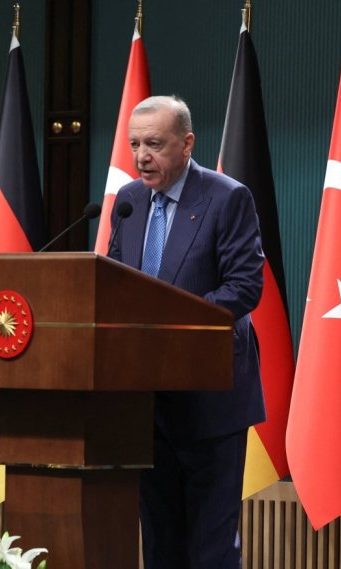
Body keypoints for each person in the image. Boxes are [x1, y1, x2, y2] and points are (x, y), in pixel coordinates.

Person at [106, 95, 265, 568]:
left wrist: (167, 324)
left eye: (154, 144)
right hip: (146, 403)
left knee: (210, 547)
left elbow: (244, 287)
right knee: (160, 543)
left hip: (209, 398)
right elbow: (116, 282)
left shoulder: (226, 197)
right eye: (135, 144)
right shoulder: (130, 201)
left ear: (187, 143)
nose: (141, 157)